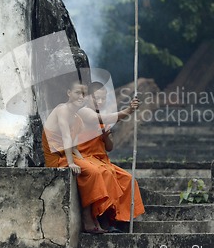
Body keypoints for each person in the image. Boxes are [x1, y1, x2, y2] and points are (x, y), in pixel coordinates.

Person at [41, 80, 140, 233]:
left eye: (83, 94)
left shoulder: (75, 117)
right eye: (78, 93)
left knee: (120, 177)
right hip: (58, 158)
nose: (81, 96)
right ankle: (90, 219)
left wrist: (80, 159)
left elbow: (76, 145)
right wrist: (128, 111)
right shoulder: (66, 110)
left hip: (82, 156)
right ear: (69, 93)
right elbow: (66, 137)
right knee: (96, 173)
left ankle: (113, 219)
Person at [76, 82, 145, 232]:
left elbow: (109, 147)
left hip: (100, 160)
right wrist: (129, 110)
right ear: (88, 97)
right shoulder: (84, 112)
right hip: (84, 157)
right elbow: (101, 119)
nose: (100, 101)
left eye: (103, 98)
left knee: (127, 179)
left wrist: (106, 137)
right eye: (96, 98)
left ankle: (119, 218)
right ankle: (102, 219)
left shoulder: (103, 117)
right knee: (105, 175)